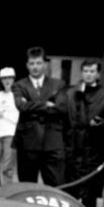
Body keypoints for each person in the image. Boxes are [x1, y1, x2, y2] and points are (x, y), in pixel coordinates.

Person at [66, 60, 104, 207]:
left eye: (92, 71)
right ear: (82, 73)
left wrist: (101, 123)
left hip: (94, 152)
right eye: (86, 71)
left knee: (89, 197)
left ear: (98, 74)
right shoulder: (72, 93)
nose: (88, 74)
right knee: (71, 195)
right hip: (73, 150)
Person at [11, 46, 67, 186]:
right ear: (27, 65)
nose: (35, 67)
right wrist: (46, 104)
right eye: (32, 63)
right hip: (28, 143)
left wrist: (31, 104)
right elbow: (21, 106)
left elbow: (61, 108)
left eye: (38, 63)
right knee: (27, 188)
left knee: (56, 187)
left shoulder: (58, 84)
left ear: (45, 64)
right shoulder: (19, 85)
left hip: (52, 143)